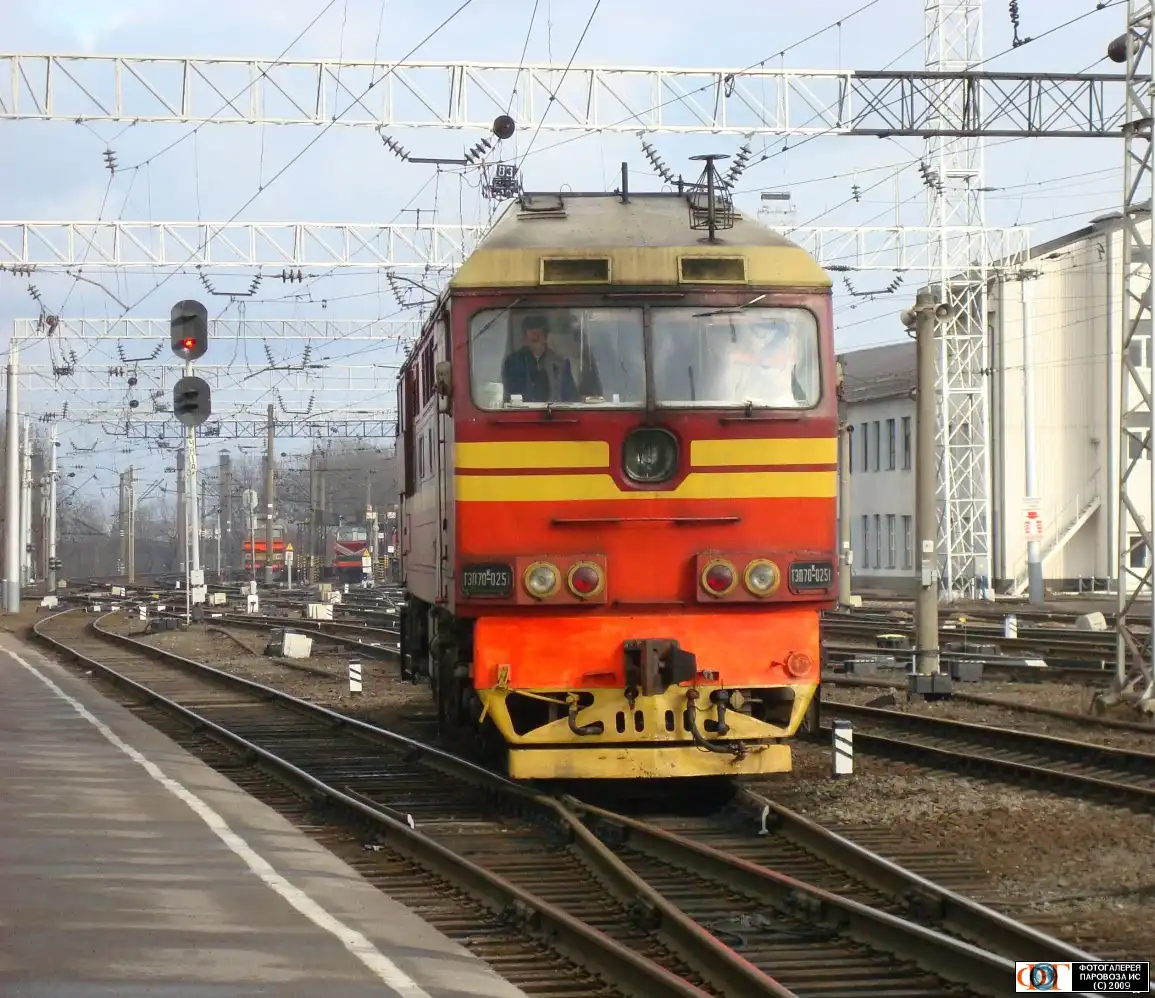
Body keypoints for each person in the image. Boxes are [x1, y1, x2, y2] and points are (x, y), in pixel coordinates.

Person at [715, 316, 805, 407]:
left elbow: (770, 360)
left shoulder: (787, 353)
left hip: (783, 408)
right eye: (756, 336)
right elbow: (722, 401)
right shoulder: (736, 363)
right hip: (740, 408)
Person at [501, 313, 579, 403]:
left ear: (546, 336)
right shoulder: (513, 362)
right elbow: (510, 394)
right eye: (532, 333)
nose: (535, 336)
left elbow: (571, 397)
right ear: (524, 337)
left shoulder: (561, 363)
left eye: (539, 333)